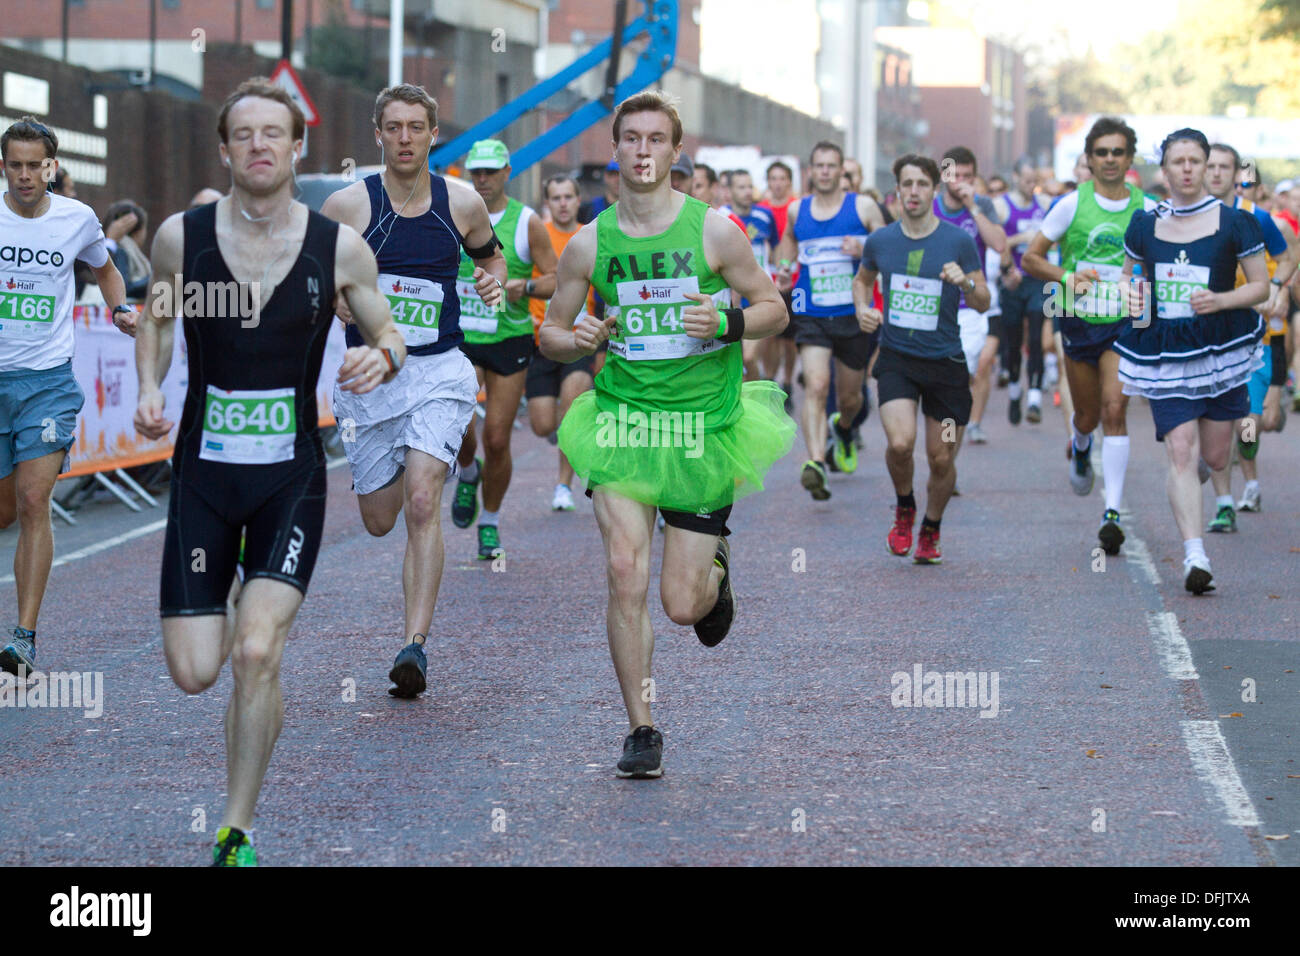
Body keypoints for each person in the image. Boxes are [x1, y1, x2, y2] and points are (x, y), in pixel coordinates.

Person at [133, 78, 407, 864]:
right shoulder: (182, 239)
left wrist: (377, 359)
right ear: (225, 150)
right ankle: (239, 653)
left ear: (297, 148)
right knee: (195, 672)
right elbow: (154, 324)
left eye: (272, 133)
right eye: (243, 133)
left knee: (257, 652)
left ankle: (236, 829)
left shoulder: (338, 248)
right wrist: (150, 386)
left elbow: (389, 334)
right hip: (203, 479)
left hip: (290, 478)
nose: (258, 145)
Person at [540, 90, 794, 778]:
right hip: (622, 424)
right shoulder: (591, 242)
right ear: (615, 149)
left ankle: (715, 570)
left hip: (699, 430)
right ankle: (642, 727)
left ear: (676, 152)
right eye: (631, 138)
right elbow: (552, 331)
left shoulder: (714, 231)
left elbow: (775, 307)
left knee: (683, 606)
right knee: (625, 571)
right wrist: (578, 337)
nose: (643, 150)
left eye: (657, 139)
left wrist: (729, 324)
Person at [320, 83, 506, 699]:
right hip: (370, 378)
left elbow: (492, 259)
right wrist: (339, 303)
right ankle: (405, 466)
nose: (404, 138)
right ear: (378, 134)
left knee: (423, 502)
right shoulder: (347, 206)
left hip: (439, 371)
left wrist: (491, 284)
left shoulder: (462, 202)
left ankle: (414, 647)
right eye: (393, 127)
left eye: (416, 127)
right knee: (379, 520)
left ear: (433, 136)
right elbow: (308, 278)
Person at [0, 116, 136, 677]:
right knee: (4, 511)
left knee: (35, 503)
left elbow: (104, 270)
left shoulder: (78, 219)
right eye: (16, 165)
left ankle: (23, 640)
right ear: (3, 166)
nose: (26, 175)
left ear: (51, 167)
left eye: (36, 165)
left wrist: (119, 308)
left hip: (48, 383)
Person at [1118, 128, 1269, 594]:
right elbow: (1129, 279)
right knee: (1180, 447)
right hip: (1167, 349)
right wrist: (1133, 298)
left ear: (1207, 167)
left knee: (1216, 455)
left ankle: (1200, 487)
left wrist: (1220, 301)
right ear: (1163, 170)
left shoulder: (1236, 223)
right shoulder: (1144, 224)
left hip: (1221, 346)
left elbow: (1260, 287)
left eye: (1194, 161)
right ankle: (1195, 556)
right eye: (1177, 161)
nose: (1186, 169)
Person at [1022, 117, 1153, 555]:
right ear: (1090, 159)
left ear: (1129, 158)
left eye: (1118, 152)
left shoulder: (1147, 208)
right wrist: (1066, 275)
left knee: (1116, 409)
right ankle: (1080, 446)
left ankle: (1110, 512)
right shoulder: (1070, 205)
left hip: (1123, 322)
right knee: (1088, 416)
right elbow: (1031, 259)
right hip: (1077, 319)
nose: (1110, 160)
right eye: (1102, 152)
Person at [853, 154, 987, 563]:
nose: (913, 192)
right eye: (906, 184)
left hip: (945, 367)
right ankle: (905, 505)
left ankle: (931, 527)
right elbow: (862, 281)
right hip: (897, 360)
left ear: (934, 189)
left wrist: (965, 282)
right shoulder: (881, 242)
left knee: (942, 456)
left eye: (922, 184)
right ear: (897, 190)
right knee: (899, 443)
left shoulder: (958, 242)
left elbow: (983, 302)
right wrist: (862, 309)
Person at [449, 139, 558, 559]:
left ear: (507, 172)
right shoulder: (453, 210)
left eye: (491, 172)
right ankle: (467, 471)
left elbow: (555, 277)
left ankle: (490, 522)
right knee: (456, 422)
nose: (483, 180)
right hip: (459, 339)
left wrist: (525, 286)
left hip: (508, 339)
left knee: (497, 437)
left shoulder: (527, 222)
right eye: (476, 172)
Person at [773, 141, 885, 499]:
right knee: (817, 385)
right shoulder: (796, 210)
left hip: (853, 314)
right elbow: (787, 243)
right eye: (818, 165)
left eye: (831, 165)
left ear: (842, 171)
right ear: (811, 171)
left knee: (850, 398)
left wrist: (865, 246)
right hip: (812, 312)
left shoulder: (863, 206)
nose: (824, 171)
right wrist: (785, 267)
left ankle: (845, 428)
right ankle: (817, 461)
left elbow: (888, 246)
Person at [1201, 144, 1297, 527]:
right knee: (1213, 424)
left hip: (1253, 339)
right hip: (1205, 336)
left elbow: (1288, 257)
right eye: (1211, 166)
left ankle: (1247, 470)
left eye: (1226, 166)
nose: (1218, 173)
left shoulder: (1257, 217)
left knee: (1247, 427)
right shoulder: (1184, 218)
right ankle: (1225, 502)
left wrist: (1275, 287)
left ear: (1236, 173)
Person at [526, 173, 594, 511]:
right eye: (557, 198)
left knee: (571, 408)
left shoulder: (592, 236)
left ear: (578, 200)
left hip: (581, 338)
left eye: (569, 197)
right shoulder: (538, 236)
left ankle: (563, 487)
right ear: (548, 203)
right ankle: (562, 434)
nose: (563, 204)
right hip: (541, 341)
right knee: (543, 425)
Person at [933, 146, 1007, 446]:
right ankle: (941, 454)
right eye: (954, 174)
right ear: (943, 176)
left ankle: (948, 452)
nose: (960, 181)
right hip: (930, 308)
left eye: (967, 176)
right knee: (936, 384)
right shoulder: (928, 204)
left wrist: (973, 207)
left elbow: (999, 244)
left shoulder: (983, 205)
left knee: (957, 380)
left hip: (969, 308)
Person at [998, 156, 1051, 425]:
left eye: (1035, 181)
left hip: (1037, 280)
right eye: (1027, 180)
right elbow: (994, 242)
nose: (1031, 186)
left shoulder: (1044, 205)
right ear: (1016, 177)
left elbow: (1055, 240)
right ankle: (1015, 392)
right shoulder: (1002, 206)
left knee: (1036, 341)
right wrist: (1021, 239)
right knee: (1013, 341)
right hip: (1012, 281)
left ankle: (1034, 399)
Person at [723, 168, 780, 381]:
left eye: (750, 186)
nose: (747, 191)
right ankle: (751, 392)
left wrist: (780, 269)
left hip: (759, 295)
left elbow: (776, 246)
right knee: (738, 360)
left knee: (748, 357)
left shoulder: (765, 215)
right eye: (741, 187)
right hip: (732, 295)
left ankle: (760, 395)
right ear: (729, 191)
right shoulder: (721, 217)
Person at [760, 159, 800, 406]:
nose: (777, 184)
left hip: (797, 283)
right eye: (773, 179)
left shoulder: (796, 208)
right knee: (770, 334)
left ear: (789, 182)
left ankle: (788, 382)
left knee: (791, 337)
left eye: (781, 178)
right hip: (767, 281)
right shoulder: (761, 210)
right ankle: (772, 381)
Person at [102, 200, 151, 300]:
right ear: (137, 232)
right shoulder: (122, 250)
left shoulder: (114, 248)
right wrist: (155, 278)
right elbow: (125, 288)